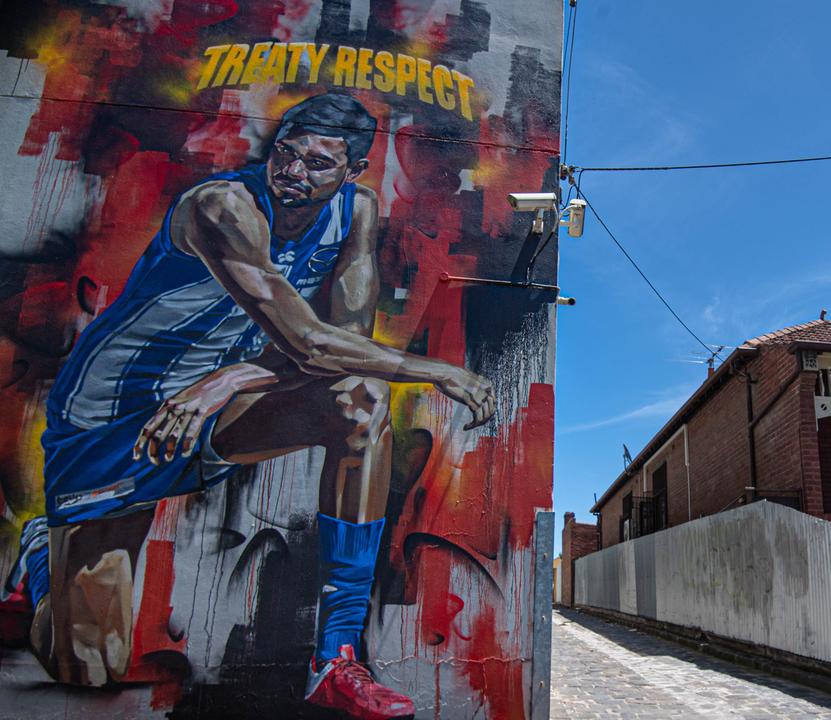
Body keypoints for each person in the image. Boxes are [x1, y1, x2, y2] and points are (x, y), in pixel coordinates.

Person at [0, 92, 495, 720]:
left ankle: (334, 659)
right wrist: (435, 371)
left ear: (352, 171)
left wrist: (225, 380)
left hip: (211, 405)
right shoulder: (223, 206)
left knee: (357, 404)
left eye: (317, 164)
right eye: (286, 154)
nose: (292, 172)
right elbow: (312, 342)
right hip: (114, 415)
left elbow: (344, 346)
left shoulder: (355, 213)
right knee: (87, 662)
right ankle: (43, 556)